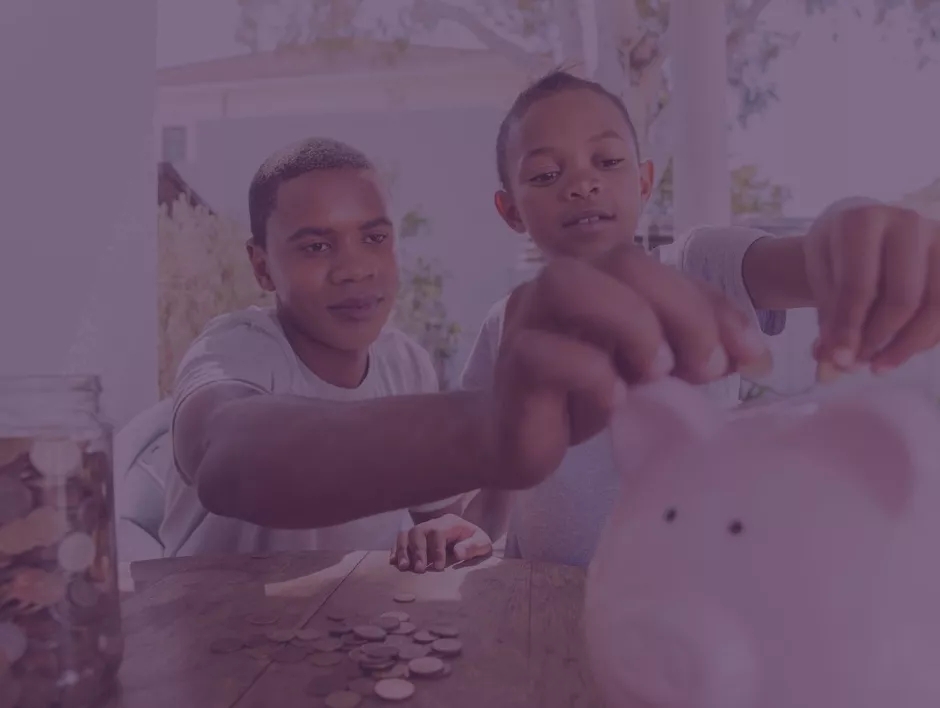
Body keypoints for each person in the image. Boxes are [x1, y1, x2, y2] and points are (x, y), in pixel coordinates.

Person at [391, 70, 940, 570]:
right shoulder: (504, 322)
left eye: (606, 162)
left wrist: (852, 230)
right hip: (542, 608)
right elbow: (500, 475)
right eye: (545, 174)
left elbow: (806, 259)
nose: (581, 184)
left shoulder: (700, 266)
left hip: (687, 605)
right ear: (510, 209)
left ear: (645, 182)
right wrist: (473, 527)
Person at [160, 133, 774, 559]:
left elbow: (441, 514)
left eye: (373, 238)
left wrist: (466, 528)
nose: (355, 269)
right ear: (262, 266)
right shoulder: (235, 349)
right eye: (316, 246)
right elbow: (226, 454)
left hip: (343, 645)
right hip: (218, 658)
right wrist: (485, 425)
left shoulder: (405, 362)